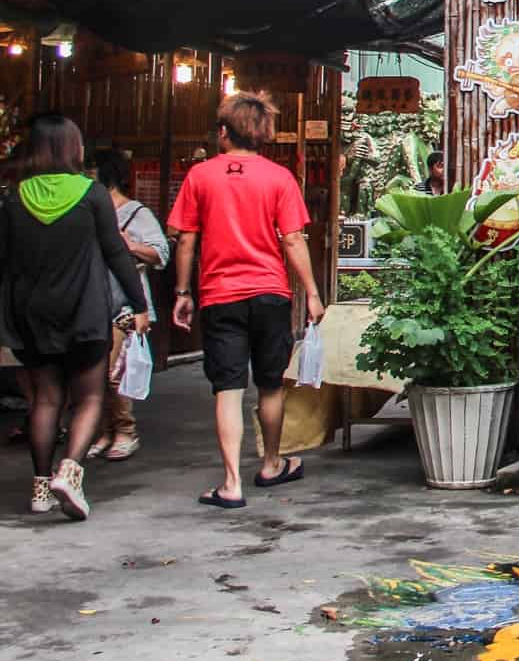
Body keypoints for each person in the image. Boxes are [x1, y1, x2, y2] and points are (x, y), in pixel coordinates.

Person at [169, 92, 325, 510]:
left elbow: (186, 238)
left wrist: (183, 292)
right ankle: (272, 463)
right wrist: (312, 293)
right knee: (270, 384)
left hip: (220, 296)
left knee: (228, 388)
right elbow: (292, 239)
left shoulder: (200, 176)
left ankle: (232, 483)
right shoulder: (279, 178)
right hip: (271, 293)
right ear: (263, 134)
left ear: (223, 131)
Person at [0, 114, 150, 519]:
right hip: (83, 309)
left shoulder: (14, 197)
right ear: (72, 148)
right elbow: (117, 253)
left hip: (30, 313)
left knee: (46, 399)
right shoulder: (91, 194)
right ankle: (70, 470)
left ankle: (40, 488)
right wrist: (139, 305)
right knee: (89, 396)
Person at [86, 149, 169, 462]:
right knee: (92, 371)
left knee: (112, 371)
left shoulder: (136, 214)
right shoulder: (88, 209)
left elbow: (161, 254)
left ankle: (124, 430)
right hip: (91, 299)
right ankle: (104, 431)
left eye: (91, 171)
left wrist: (130, 245)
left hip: (125, 301)